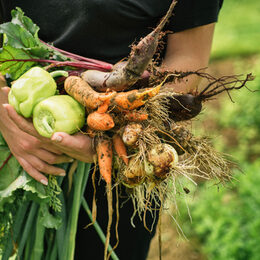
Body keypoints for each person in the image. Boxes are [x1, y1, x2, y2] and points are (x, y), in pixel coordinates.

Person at [0, 0, 223, 259]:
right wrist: (3, 112)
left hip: (128, 158)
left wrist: (119, 129)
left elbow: (189, 57)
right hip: (20, 140)